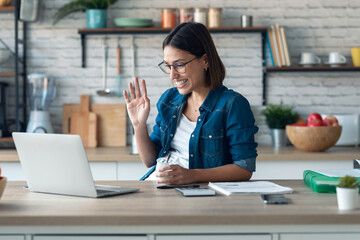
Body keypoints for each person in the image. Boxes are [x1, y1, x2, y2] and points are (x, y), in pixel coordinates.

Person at [123, 22, 258, 185]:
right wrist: (138, 125)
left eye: (179, 65)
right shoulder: (169, 99)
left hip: (196, 194)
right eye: (167, 66)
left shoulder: (233, 104)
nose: (172, 76)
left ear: (205, 60)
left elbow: (244, 168)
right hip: (155, 186)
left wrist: (192, 175)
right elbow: (150, 160)